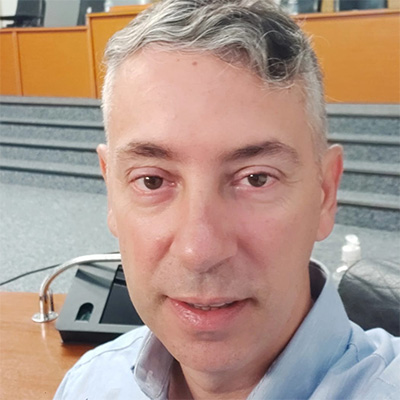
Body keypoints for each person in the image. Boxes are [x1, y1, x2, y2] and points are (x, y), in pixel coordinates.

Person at [55, 1, 399, 399]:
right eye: (151, 180)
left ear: (325, 193)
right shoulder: (88, 384)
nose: (199, 251)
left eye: (256, 178)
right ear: (111, 191)